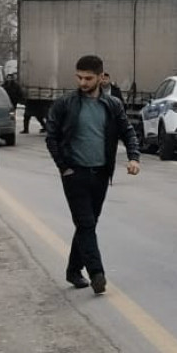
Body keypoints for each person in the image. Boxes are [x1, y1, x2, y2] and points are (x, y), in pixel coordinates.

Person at [46, 55, 142, 294]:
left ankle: (73, 270)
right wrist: (63, 166)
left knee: (88, 224)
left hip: (100, 173)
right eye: (79, 77)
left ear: (101, 77)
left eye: (88, 78)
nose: (83, 82)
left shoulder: (112, 105)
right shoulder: (65, 103)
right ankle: (97, 273)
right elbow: (52, 137)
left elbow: (127, 132)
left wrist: (134, 157)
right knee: (86, 223)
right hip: (74, 173)